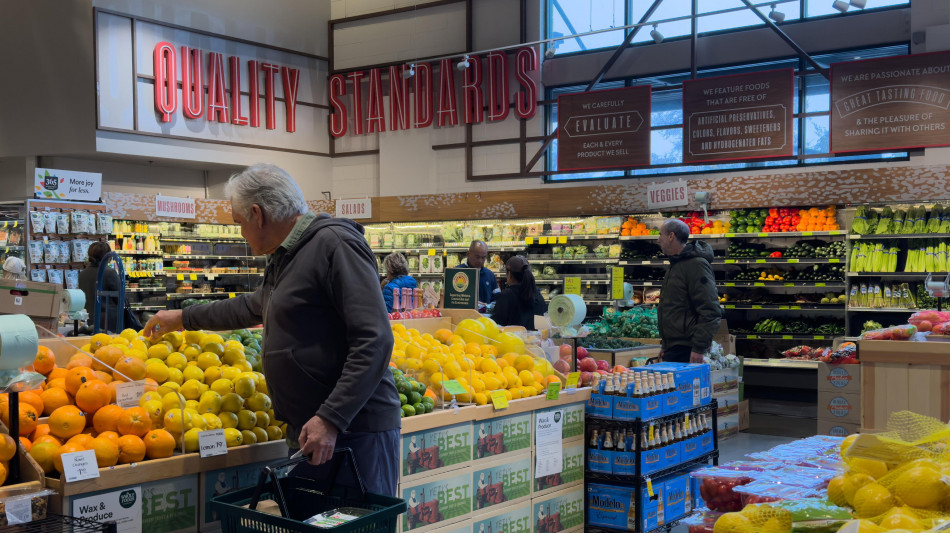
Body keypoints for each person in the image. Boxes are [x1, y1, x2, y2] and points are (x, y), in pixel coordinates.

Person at [143, 163, 401, 496]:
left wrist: (332, 418)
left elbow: (375, 339)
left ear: (257, 214)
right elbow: (253, 307)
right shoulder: (287, 255)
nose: (240, 234)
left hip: (355, 430)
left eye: (239, 223)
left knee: (358, 523)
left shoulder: (335, 244)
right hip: (315, 428)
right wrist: (182, 318)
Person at [656, 219, 722, 364]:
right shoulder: (676, 264)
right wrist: (667, 345)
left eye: (661, 235)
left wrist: (699, 347)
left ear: (671, 236)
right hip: (675, 348)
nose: (658, 239)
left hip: (688, 349)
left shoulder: (696, 265)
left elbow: (710, 310)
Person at [78, 242, 121, 332]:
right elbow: (121, 298)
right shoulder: (109, 273)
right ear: (108, 256)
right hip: (108, 322)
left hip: (88, 319)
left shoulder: (82, 274)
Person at [491, 255, 544, 329]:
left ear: (509, 275)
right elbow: (542, 326)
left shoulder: (505, 296)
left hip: (511, 339)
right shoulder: (538, 295)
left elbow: (496, 325)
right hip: (533, 339)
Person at [459, 240, 499, 305]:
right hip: (462, 314)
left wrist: (488, 306)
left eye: (483, 257)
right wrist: (470, 304)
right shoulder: (457, 272)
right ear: (468, 254)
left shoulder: (490, 275)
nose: (480, 261)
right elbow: (449, 299)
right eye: (477, 257)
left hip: (485, 315)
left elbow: (497, 299)